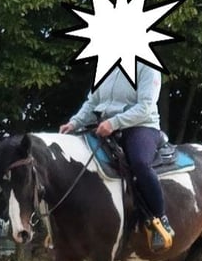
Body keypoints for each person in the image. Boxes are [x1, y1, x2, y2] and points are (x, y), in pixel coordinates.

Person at [59, 62, 175, 251]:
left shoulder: (147, 67)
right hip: (104, 127)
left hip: (140, 126)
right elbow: (92, 103)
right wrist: (74, 123)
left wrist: (114, 122)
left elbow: (145, 106)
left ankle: (159, 219)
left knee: (140, 164)